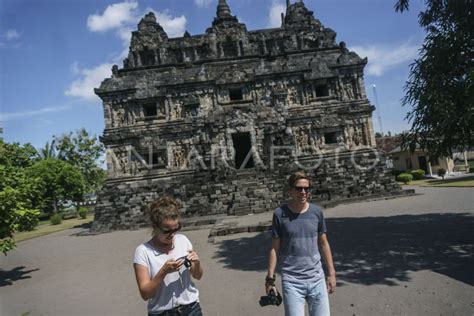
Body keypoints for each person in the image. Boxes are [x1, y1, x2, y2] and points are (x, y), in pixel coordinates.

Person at [266, 171, 336, 316]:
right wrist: (270, 279)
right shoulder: (280, 214)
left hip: (317, 278)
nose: (303, 192)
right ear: (290, 190)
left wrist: (331, 274)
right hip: (292, 281)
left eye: (306, 188)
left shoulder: (317, 212)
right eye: (299, 188)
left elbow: (323, 243)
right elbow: (274, 248)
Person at [134, 196, 203, 316]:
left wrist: (197, 264)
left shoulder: (183, 241)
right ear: (155, 228)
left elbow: (198, 275)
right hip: (162, 312)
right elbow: (145, 294)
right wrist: (163, 271)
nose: (172, 235)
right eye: (166, 231)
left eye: (176, 229)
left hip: (191, 308)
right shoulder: (143, 251)